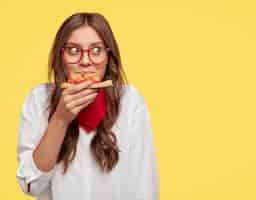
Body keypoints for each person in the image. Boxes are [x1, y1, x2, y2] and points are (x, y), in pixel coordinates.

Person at [16, 12, 159, 200]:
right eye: (74, 51)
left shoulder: (130, 101)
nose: (85, 61)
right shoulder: (38, 99)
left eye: (96, 50)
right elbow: (31, 184)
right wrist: (60, 119)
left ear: (109, 56)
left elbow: (144, 186)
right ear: (61, 56)